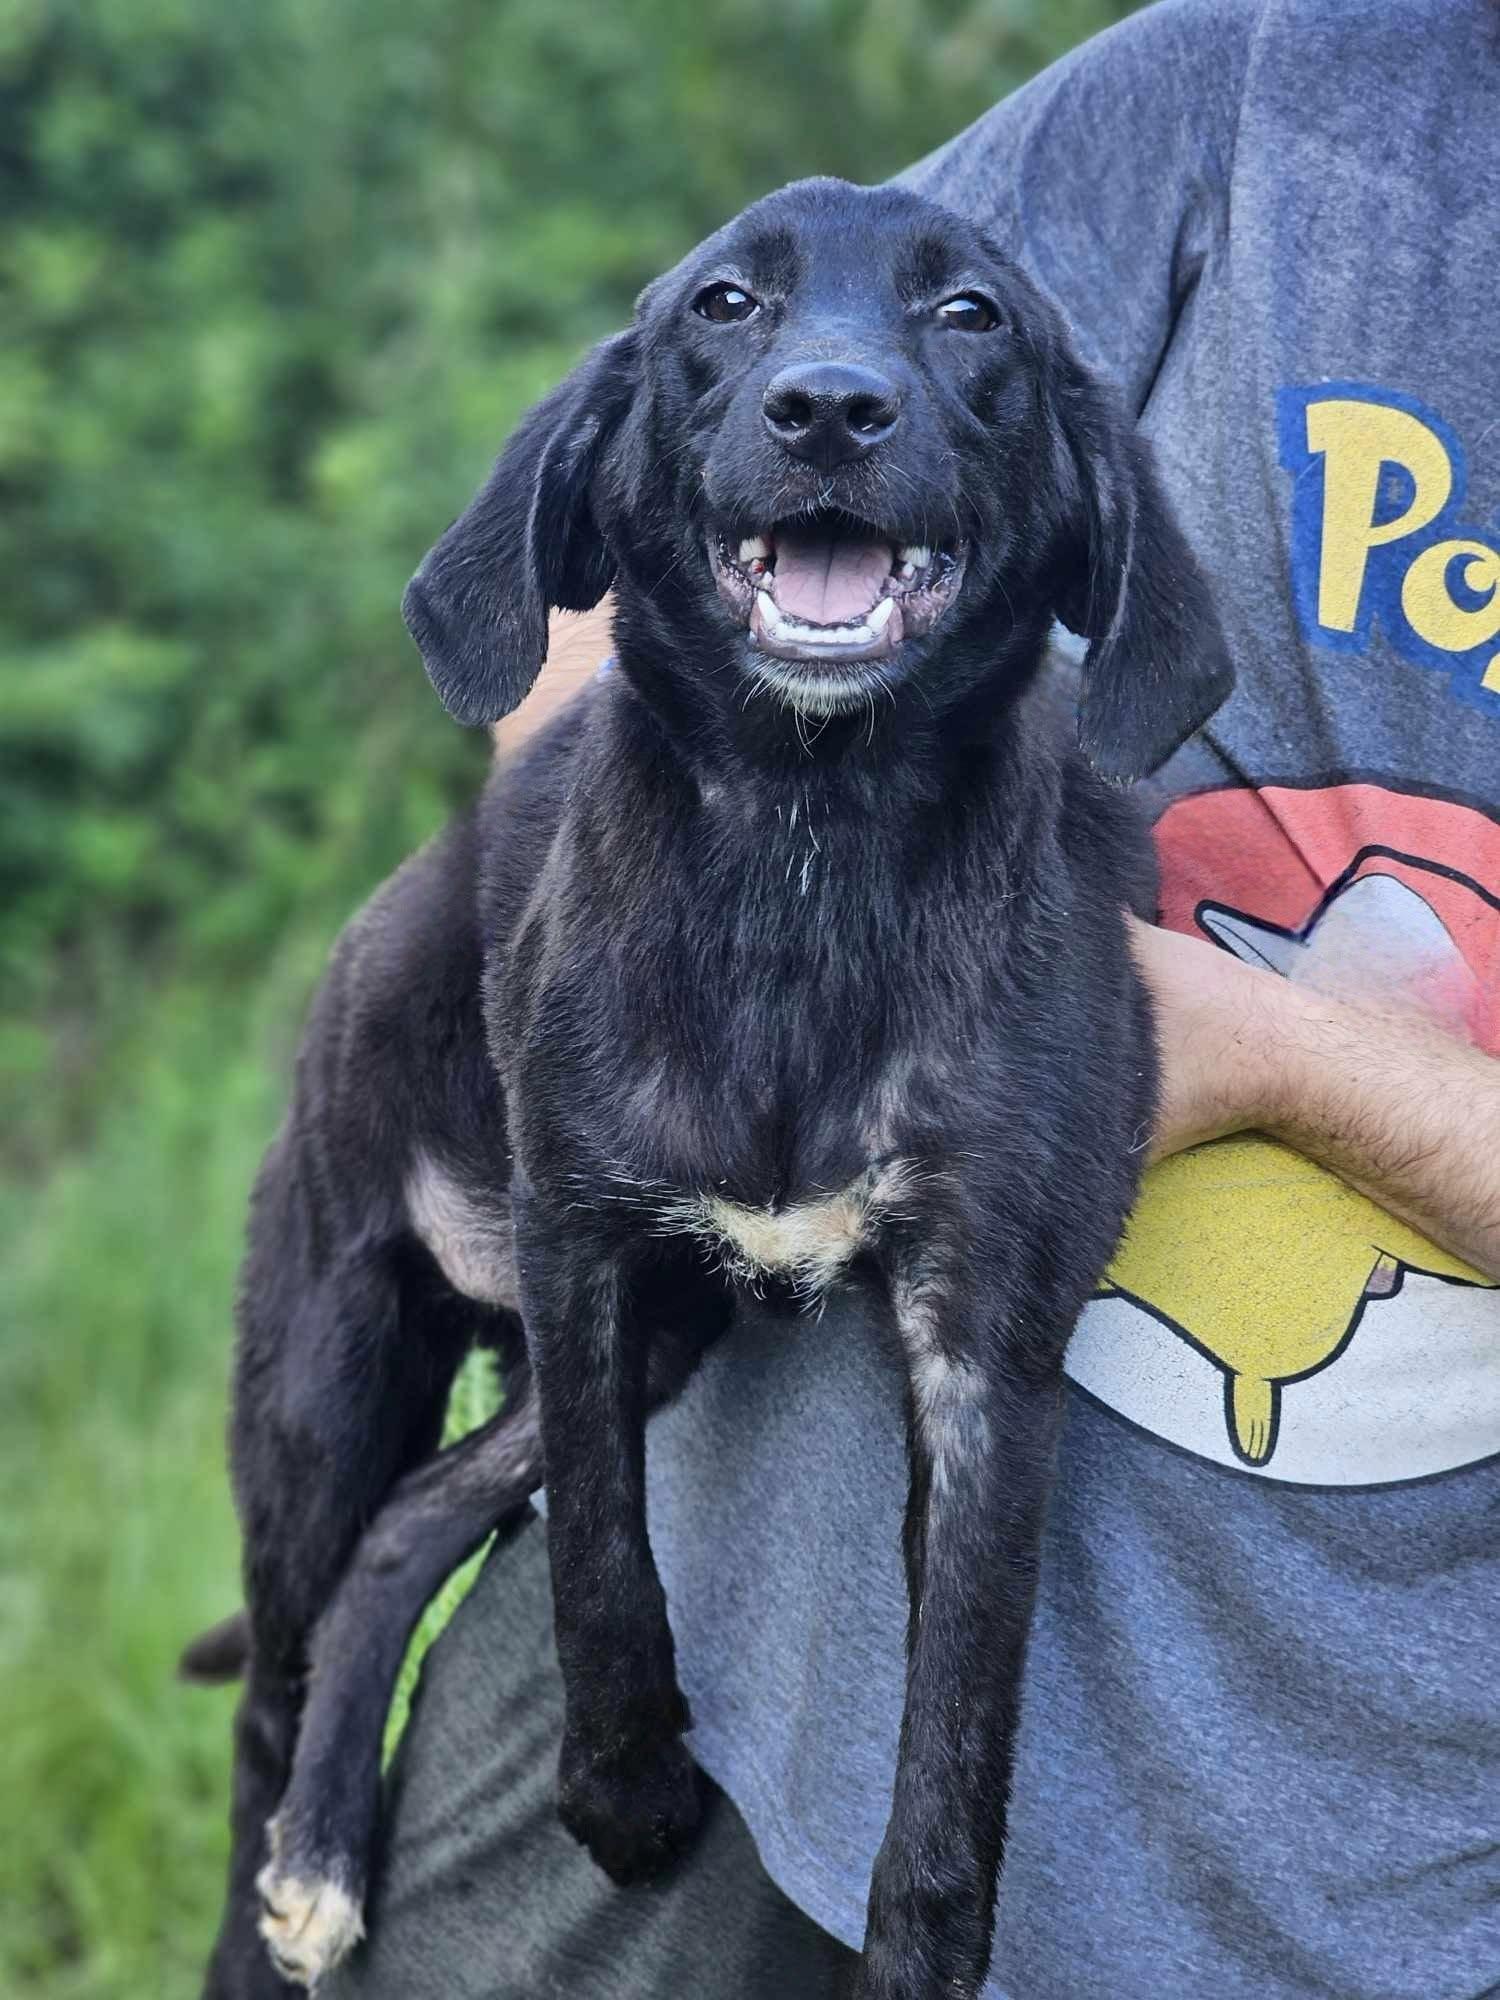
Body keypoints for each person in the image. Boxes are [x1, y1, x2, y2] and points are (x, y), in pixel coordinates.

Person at [327, 3, 1500, 1995]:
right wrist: (670, 984)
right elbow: (648, 523)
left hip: (1378, 1790)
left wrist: (1254, 1059)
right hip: (751, 1582)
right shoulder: (1276, 86)